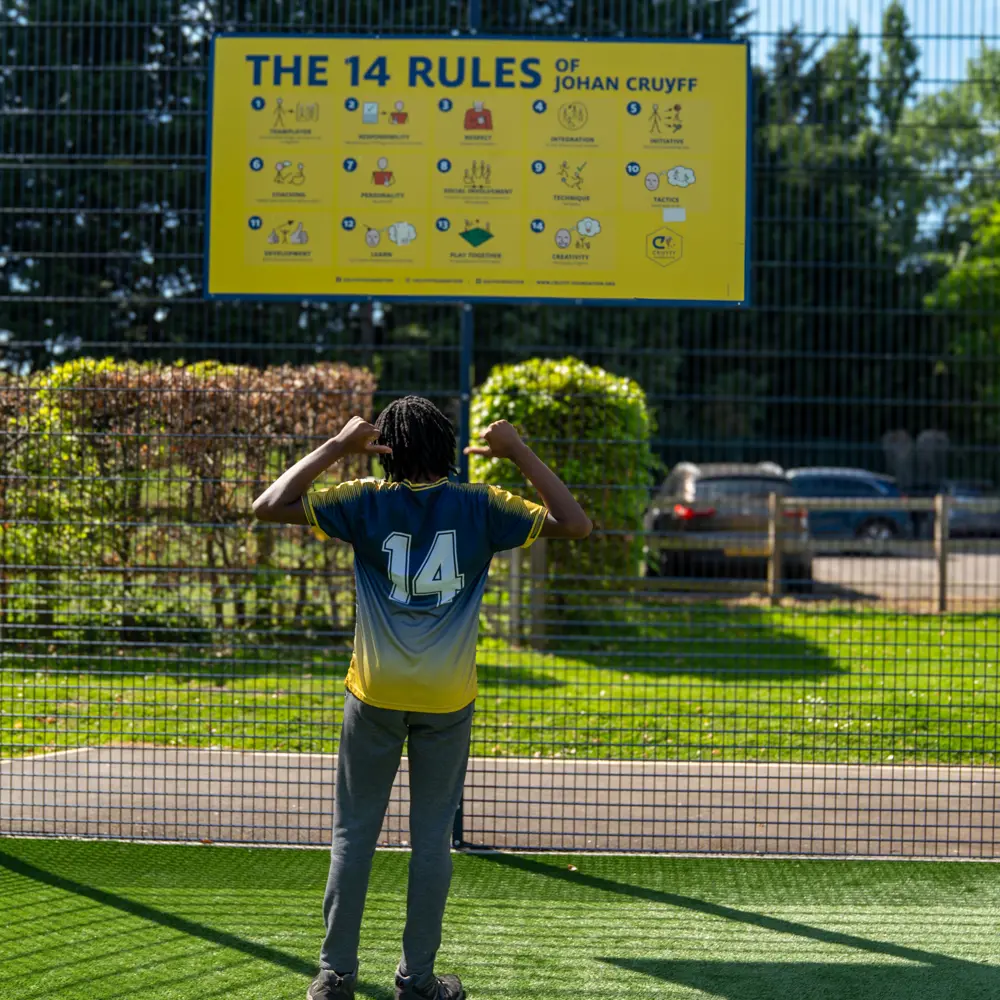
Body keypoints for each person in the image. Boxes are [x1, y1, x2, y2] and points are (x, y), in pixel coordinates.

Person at [252, 397, 592, 1000]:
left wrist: (336, 445)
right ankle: (418, 981)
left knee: (354, 834)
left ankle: (335, 977)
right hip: (447, 698)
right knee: (431, 839)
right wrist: (517, 452)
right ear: (447, 446)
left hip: (374, 694)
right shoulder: (483, 505)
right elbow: (576, 524)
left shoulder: (363, 500)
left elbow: (267, 505)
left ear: (385, 449)